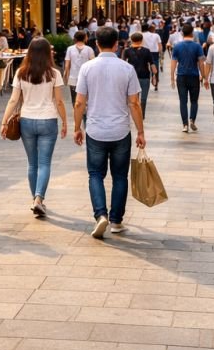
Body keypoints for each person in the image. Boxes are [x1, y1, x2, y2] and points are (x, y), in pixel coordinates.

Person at [73, 27, 146, 238]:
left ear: (96, 44)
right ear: (116, 44)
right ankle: (115, 220)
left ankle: (100, 215)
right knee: (120, 176)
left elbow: (79, 102)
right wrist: (140, 131)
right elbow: (134, 103)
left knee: (95, 174)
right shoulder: (126, 69)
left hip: (95, 129)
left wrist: (78, 128)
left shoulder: (87, 68)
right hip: (121, 130)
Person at [1, 37, 67, 217]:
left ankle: (35, 199)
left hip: (27, 121)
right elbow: (59, 101)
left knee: (32, 163)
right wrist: (65, 122)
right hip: (48, 120)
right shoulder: (54, 73)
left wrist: (4, 121)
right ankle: (39, 199)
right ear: (48, 53)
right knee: (44, 163)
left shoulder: (21, 72)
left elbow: (13, 100)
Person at [170, 23, 206, 133]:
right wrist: (203, 76)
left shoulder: (177, 46)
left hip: (181, 76)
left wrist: (172, 77)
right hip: (194, 76)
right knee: (194, 101)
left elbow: (173, 63)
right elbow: (201, 62)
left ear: (182, 33)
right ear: (192, 33)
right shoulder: (197, 46)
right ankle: (192, 120)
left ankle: (185, 125)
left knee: (183, 101)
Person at [121, 33, 157, 117]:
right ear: (141, 40)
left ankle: (135, 114)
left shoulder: (127, 51)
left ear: (132, 40)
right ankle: (142, 115)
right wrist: (154, 76)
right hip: (145, 77)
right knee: (143, 98)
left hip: (132, 78)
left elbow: (123, 64)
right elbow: (152, 65)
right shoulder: (147, 51)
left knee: (134, 98)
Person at [63, 30, 95, 105]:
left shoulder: (70, 49)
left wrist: (65, 76)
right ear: (84, 38)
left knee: (74, 100)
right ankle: (84, 114)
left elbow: (67, 65)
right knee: (85, 98)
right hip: (86, 77)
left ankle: (76, 114)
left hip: (73, 77)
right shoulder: (89, 49)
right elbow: (93, 64)